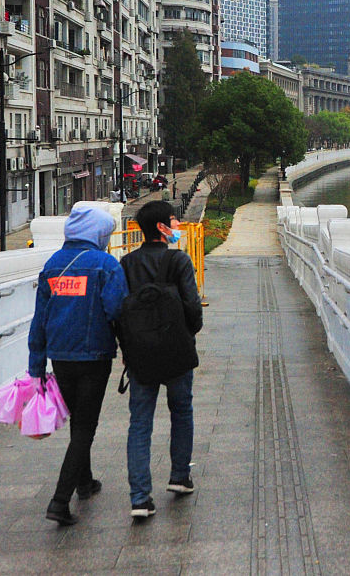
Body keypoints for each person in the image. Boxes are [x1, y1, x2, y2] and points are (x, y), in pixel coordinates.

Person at [28, 204, 128, 526]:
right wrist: (130, 351)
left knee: (78, 423)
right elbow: (117, 312)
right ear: (96, 233)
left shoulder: (52, 265)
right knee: (85, 427)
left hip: (61, 358)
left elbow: (39, 321)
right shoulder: (106, 265)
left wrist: (37, 367)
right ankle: (59, 501)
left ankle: (85, 482)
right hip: (95, 357)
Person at [119, 201, 203, 519]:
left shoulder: (126, 263)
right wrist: (187, 332)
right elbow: (192, 306)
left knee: (139, 423)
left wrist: (128, 347)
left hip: (140, 355)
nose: (178, 225)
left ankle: (140, 498)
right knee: (181, 411)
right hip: (176, 351)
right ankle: (179, 477)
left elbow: (119, 310)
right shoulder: (178, 259)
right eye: (174, 220)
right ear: (163, 226)